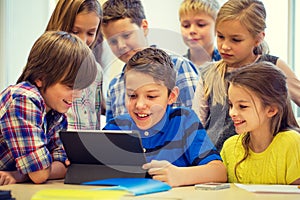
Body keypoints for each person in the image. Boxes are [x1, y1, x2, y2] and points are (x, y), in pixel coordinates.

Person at [104, 47, 227, 187]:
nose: (139, 105)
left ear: (171, 96)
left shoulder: (183, 121)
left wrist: (180, 176)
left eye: (151, 96)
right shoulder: (116, 127)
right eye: (132, 95)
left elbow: (219, 172)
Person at [192, 0, 300, 152]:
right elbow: (196, 125)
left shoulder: (273, 67)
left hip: (267, 159)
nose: (224, 46)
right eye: (220, 36)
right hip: (217, 161)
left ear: (258, 39)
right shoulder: (208, 74)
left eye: (235, 40)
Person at [0, 31, 97, 185]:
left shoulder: (57, 114)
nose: (77, 95)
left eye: (81, 88)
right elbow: (39, 175)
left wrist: (19, 175)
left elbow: (64, 166)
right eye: (70, 86)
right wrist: (34, 172)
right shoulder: (23, 98)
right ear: (40, 78)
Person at [101, 0, 199, 122]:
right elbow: (113, 135)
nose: (121, 46)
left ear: (144, 27)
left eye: (126, 36)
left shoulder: (179, 67)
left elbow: (196, 123)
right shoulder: (114, 86)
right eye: (113, 41)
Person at [221, 61, 300, 184]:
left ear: (271, 110)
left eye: (242, 106)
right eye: (231, 105)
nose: (232, 113)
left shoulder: (291, 142)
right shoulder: (230, 146)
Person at [46, 0, 104, 129]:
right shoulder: (46, 65)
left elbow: (96, 119)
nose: (82, 40)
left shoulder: (97, 71)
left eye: (90, 33)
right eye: (75, 31)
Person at [179, 0, 221, 68]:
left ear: (217, 26)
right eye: (186, 25)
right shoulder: (176, 67)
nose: (192, 31)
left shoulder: (230, 65)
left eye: (201, 25)